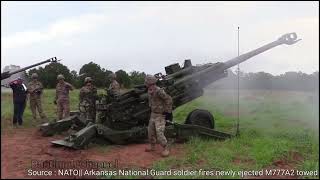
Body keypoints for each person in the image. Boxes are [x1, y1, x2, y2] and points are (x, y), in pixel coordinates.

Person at [144, 75, 173, 157]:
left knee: (159, 134)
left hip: (160, 115)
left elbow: (169, 99)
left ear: (150, 82)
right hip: (153, 114)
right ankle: (152, 146)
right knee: (150, 132)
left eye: (146, 81)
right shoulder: (149, 90)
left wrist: (168, 112)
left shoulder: (159, 91)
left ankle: (166, 148)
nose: (145, 83)